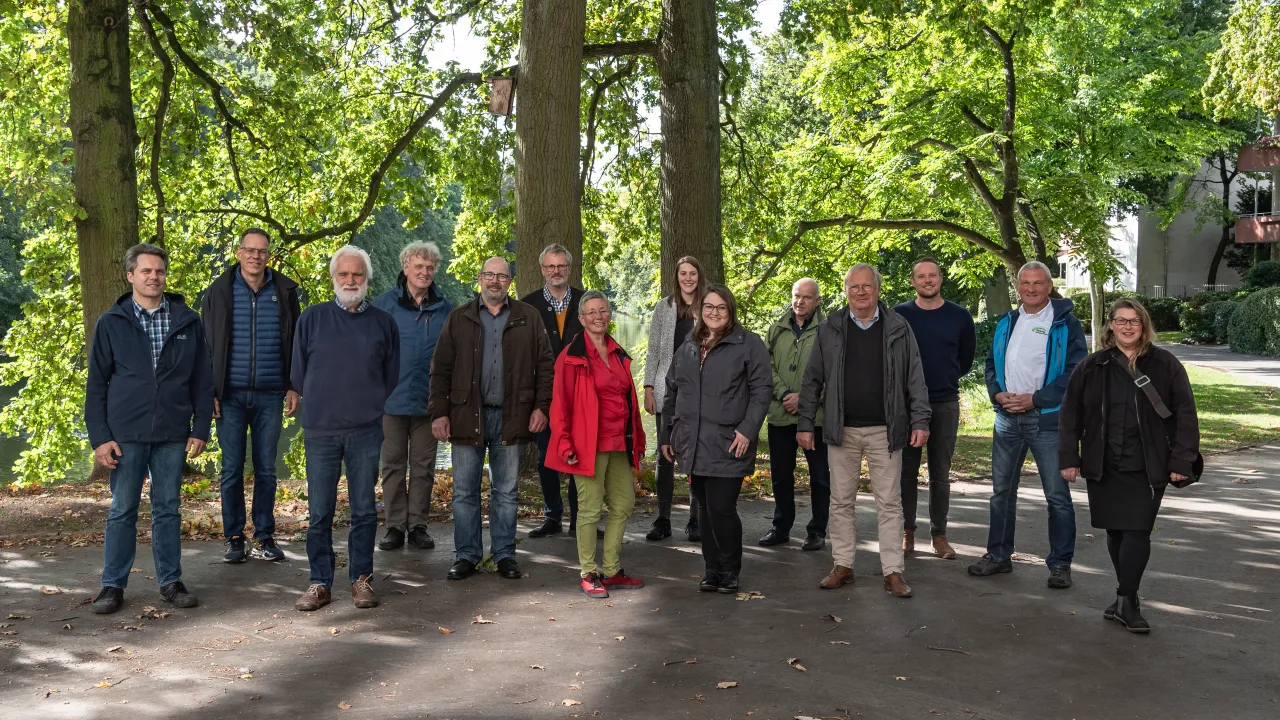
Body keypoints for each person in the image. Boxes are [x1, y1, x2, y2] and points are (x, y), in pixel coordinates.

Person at [86, 244, 213, 614]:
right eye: (146, 271)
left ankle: (171, 582)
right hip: (124, 434)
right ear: (131, 276)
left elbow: (202, 382)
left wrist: (201, 427)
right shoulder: (112, 322)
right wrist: (100, 437)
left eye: (159, 271)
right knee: (122, 510)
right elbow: (97, 384)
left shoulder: (187, 320)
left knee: (168, 509)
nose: (153, 277)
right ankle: (112, 585)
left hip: (173, 434)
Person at [1060, 299, 1200, 633]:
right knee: (1116, 530)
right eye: (1120, 321)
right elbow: (1070, 414)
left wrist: (1182, 460)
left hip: (1148, 464)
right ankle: (1127, 599)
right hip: (1104, 463)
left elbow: (1186, 413)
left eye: (1134, 321)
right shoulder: (1093, 366)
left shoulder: (1165, 364)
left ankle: (1126, 597)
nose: (1127, 327)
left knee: (1138, 530)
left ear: (1144, 325)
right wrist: (1069, 458)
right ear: (1110, 325)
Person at [798, 264, 930, 598]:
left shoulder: (899, 327)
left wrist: (920, 420)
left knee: (890, 503)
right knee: (841, 501)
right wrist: (804, 424)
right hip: (841, 430)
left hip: (886, 431)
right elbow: (812, 379)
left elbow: (915, 377)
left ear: (877, 289)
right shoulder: (830, 328)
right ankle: (843, 566)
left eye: (866, 286)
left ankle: (893, 572)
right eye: (854, 287)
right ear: (845, 290)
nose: (860, 292)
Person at [430, 257, 554, 582]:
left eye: (501, 276)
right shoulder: (459, 318)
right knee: (464, 492)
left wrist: (542, 407)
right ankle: (466, 556)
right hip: (465, 415)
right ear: (480, 278)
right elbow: (440, 369)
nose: (494, 281)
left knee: (507, 491)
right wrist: (439, 413)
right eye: (489, 275)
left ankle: (504, 555)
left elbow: (545, 365)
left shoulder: (528, 317)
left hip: (512, 416)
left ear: (510, 281)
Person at [291, 246, 400, 611]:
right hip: (320, 429)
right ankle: (320, 583)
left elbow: (391, 375)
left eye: (358, 275)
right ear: (333, 277)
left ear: (367, 279)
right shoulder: (311, 318)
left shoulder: (383, 322)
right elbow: (298, 371)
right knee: (320, 511)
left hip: (366, 429)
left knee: (365, 510)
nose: (351, 281)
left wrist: (366, 403)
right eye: (344, 274)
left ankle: (361, 580)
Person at [969, 261, 1087, 589]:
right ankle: (998, 556)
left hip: (1047, 421)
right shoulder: (1008, 321)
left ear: (1049, 287)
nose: (1031, 289)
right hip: (1006, 419)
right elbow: (992, 363)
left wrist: (1036, 399)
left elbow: (1076, 371)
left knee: (1057, 496)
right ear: (1017, 286)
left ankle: (1060, 564)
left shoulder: (1065, 324)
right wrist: (997, 394)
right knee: (1001, 494)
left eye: (1038, 283)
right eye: (1025, 283)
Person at [660, 285, 772, 594]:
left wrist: (748, 429)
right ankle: (712, 570)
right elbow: (671, 392)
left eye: (721, 307)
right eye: (708, 306)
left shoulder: (749, 345)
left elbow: (762, 391)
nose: (714, 312)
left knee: (722, 507)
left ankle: (730, 569)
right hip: (692, 443)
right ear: (698, 310)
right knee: (703, 510)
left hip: (729, 440)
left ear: (731, 311)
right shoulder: (688, 346)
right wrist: (667, 434)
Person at [201, 228, 301, 565]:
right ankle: (233, 538)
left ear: (268, 255)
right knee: (230, 469)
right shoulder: (218, 292)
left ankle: (264, 536)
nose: (256, 256)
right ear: (239, 252)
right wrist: (208, 393)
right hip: (228, 395)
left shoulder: (285, 291)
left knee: (266, 470)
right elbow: (206, 348)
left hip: (271, 394)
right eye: (250, 250)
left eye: (262, 251)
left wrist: (293, 384)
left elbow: (296, 344)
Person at [545, 291, 647, 598]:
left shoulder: (617, 352)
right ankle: (588, 573)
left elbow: (628, 400)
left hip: (619, 442)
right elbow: (560, 405)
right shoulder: (571, 355)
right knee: (589, 510)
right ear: (581, 319)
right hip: (587, 444)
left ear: (609, 314)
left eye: (602, 310)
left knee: (624, 504)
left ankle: (612, 570)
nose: (598, 316)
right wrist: (564, 443)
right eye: (591, 312)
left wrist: (638, 440)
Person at [372, 241, 453, 552]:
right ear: (405, 268)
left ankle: (418, 524)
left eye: (430, 268)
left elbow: (451, 358)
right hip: (390, 402)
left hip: (429, 403)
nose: (425, 272)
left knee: (423, 467)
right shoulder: (383, 305)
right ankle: (394, 526)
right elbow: (372, 354)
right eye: (419, 267)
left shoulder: (445, 309)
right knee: (392, 465)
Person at [893, 258, 975, 560]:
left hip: (944, 402)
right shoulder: (899, 316)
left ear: (941, 279)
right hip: (906, 405)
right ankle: (907, 531)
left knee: (940, 472)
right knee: (906, 472)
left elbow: (964, 360)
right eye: (921, 276)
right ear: (913, 281)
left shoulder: (960, 316)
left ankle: (939, 535)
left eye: (933, 276)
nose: (928, 281)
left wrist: (945, 378)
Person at [521, 244, 587, 538]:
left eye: (561, 266)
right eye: (550, 267)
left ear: (569, 269)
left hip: (580, 396)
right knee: (546, 455)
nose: (556, 271)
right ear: (542, 270)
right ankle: (552, 517)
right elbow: (520, 357)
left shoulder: (587, 301)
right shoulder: (527, 305)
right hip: (544, 398)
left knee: (581, 456)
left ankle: (579, 520)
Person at [759, 278, 830, 551]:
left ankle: (817, 531)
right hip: (780, 414)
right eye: (796, 296)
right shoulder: (776, 329)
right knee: (780, 476)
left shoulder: (828, 331)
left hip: (816, 418)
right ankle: (781, 527)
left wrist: (805, 399)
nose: (800, 302)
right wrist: (786, 394)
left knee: (821, 477)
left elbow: (832, 374)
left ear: (817, 301)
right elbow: (766, 367)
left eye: (807, 297)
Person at [642, 255, 707, 542]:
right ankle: (663, 519)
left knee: (696, 455)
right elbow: (654, 351)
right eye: (683, 273)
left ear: (699, 276)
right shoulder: (664, 308)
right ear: (676, 276)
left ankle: (695, 520)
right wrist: (647, 388)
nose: (688, 278)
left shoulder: (708, 305)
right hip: (666, 388)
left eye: (693, 273)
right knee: (664, 455)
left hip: (699, 389)